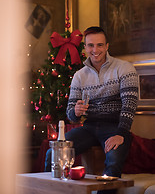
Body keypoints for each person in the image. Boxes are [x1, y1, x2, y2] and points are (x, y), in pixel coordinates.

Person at [45, 26, 138, 193]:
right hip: (88, 128)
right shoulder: (79, 75)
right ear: (85, 47)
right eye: (91, 45)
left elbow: (129, 105)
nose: (95, 50)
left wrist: (121, 133)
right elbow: (70, 114)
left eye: (100, 45)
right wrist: (76, 111)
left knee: (113, 160)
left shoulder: (125, 68)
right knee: (53, 153)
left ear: (107, 46)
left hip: (114, 128)